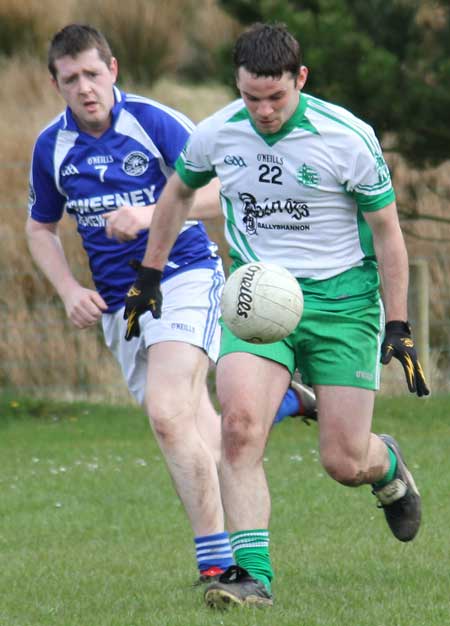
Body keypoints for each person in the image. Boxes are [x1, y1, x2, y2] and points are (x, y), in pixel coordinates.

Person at [124, 22, 430, 609]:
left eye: (275, 97)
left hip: (344, 304)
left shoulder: (347, 137)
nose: (263, 110)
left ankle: (385, 462)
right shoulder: (218, 133)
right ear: (237, 87)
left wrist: (398, 325)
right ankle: (252, 578)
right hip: (257, 298)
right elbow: (178, 196)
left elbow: (389, 234)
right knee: (238, 428)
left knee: (343, 460)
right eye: (250, 97)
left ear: (300, 80)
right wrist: (149, 276)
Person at [25, 24, 316, 586]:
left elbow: (223, 185)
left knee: (165, 412)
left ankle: (215, 564)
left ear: (112, 69)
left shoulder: (153, 121)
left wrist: (156, 212)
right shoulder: (50, 147)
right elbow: (39, 229)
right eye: (71, 78)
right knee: (196, 431)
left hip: (184, 277)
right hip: (119, 306)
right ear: (56, 83)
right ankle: (281, 405)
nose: (85, 87)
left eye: (92, 73)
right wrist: (67, 290)